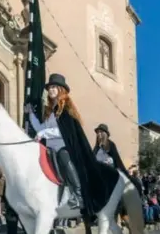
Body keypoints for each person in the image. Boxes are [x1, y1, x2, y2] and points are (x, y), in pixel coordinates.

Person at [25, 73, 119, 215]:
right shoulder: (51, 113)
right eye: (49, 87)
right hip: (50, 148)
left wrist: (43, 134)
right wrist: (31, 114)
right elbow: (40, 129)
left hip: (64, 147)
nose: (50, 90)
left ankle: (78, 194)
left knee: (64, 155)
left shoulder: (66, 110)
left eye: (54, 87)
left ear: (61, 90)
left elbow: (64, 132)